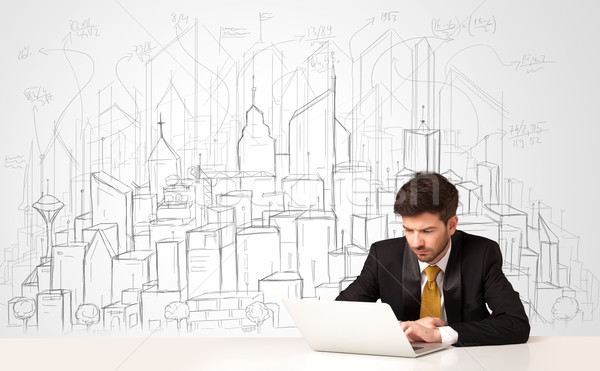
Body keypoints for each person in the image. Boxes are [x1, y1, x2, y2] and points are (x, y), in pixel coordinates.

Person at [336, 172, 530, 346]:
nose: (416, 242)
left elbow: (516, 324)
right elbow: (338, 315)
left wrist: (438, 334)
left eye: (427, 231)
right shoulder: (384, 256)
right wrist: (401, 328)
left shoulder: (482, 254)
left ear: (452, 225)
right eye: (408, 230)